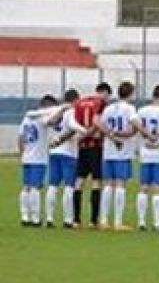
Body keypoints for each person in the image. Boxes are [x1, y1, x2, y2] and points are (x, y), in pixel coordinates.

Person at [95, 81, 138, 231]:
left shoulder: (109, 108)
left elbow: (99, 124)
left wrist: (111, 134)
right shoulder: (130, 109)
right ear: (131, 93)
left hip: (108, 151)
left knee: (107, 184)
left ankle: (104, 220)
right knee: (120, 184)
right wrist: (123, 135)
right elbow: (133, 127)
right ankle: (118, 222)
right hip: (123, 152)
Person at [131, 85, 159, 231]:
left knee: (143, 187)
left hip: (145, 152)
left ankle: (141, 222)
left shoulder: (142, 111)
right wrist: (158, 142)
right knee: (158, 188)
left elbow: (135, 123)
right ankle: (157, 223)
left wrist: (146, 136)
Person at [18, 95, 64, 227]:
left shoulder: (27, 118)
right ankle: (35, 218)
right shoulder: (41, 118)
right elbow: (53, 121)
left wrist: (22, 154)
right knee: (35, 188)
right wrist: (62, 109)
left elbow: (20, 137)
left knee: (26, 186)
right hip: (38, 158)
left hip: (27, 156)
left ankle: (25, 216)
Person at [73, 82, 111, 227]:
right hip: (95, 145)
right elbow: (97, 122)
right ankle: (93, 220)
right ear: (105, 93)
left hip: (82, 146)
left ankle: (76, 219)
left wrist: (81, 136)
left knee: (79, 181)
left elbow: (76, 123)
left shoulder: (80, 102)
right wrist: (90, 134)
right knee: (96, 181)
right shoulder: (100, 103)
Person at [46, 89, 86, 228]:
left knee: (53, 185)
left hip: (54, 152)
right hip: (69, 153)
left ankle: (50, 218)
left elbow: (48, 122)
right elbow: (74, 126)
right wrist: (86, 131)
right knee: (69, 186)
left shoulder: (56, 111)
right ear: (75, 100)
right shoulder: (71, 112)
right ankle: (68, 219)